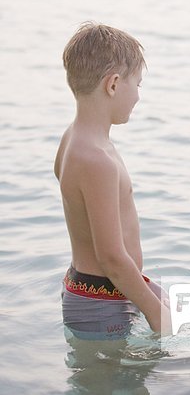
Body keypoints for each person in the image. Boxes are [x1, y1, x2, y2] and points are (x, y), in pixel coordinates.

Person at [54, 22, 171, 339]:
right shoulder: (97, 160)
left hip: (95, 292)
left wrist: (146, 291)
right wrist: (155, 311)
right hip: (101, 304)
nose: (138, 96)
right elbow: (111, 257)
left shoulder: (73, 140)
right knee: (123, 386)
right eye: (138, 85)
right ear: (114, 85)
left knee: (107, 386)